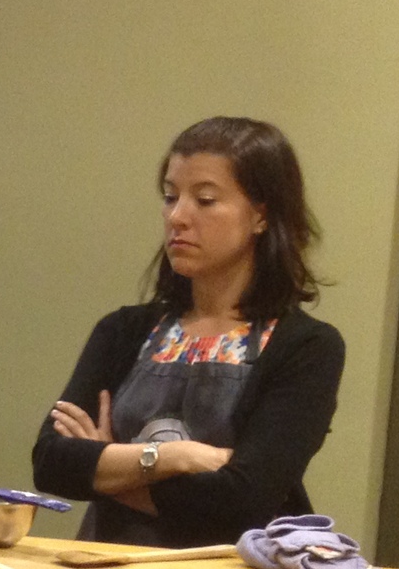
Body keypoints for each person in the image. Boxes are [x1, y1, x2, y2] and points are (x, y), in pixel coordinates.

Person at [35, 117, 343, 545]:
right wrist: (175, 457)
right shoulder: (123, 330)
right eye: (170, 197)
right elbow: (52, 463)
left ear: (260, 215)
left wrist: (108, 467)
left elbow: (244, 499)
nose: (178, 217)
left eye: (205, 200)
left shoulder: (308, 347)